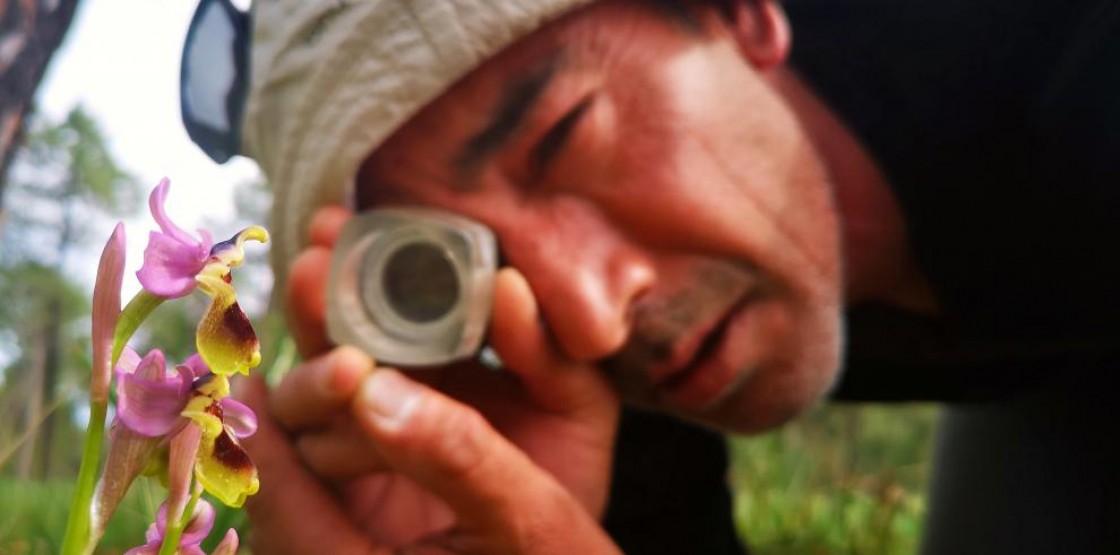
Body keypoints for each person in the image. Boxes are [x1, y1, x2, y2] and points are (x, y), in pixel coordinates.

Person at [184, 0, 1119, 552]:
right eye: (459, 261)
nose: (591, 318)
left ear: (741, 15)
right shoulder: (555, 370)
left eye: (563, 134)